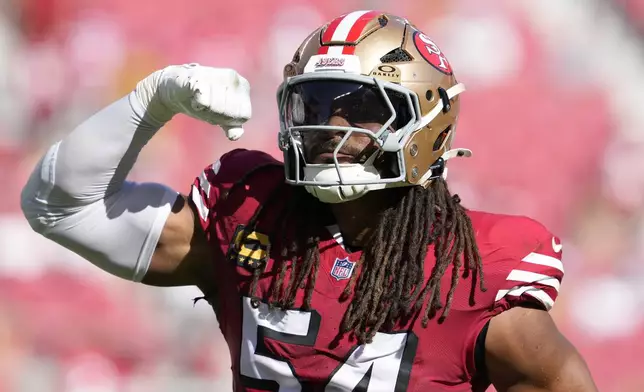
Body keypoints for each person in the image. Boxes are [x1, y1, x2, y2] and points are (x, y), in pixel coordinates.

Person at [20, 10, 598, 392]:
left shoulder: (474, 266)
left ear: (430, 128)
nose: (331, 126)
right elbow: (59, 204)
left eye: (363, 107)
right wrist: (153, 99)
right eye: (316, 105)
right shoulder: (253, 212)